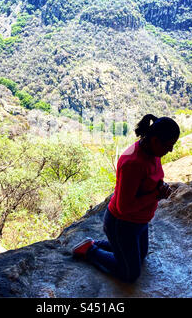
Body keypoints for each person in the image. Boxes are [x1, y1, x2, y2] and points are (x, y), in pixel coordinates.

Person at [72, 114, 180, 283]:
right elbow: (124, 207)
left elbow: (149, 180)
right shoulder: (133, 163)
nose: (171, 150)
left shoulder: (152, 152)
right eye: (168, 145)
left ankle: (97, 243)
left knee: (141, 256)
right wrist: (155, 195)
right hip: (123, 223)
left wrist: (160, 186)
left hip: (140, 221)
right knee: (130, 274)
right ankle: (89, 250)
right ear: (155, 140)